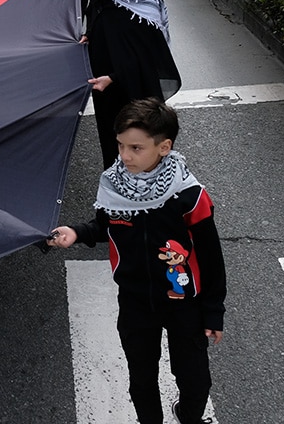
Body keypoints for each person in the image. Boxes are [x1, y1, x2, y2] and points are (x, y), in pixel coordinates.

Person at [46, 99, 225, 424]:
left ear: (164, 147)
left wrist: (214, 310)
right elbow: (105, 225)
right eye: (120, 145)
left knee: (195, 381)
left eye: (136, 148)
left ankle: (188, 416)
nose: (125, 156)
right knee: (141, 379)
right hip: (135, 300)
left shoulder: (189, 196)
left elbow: (211, 257)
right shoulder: (114, 185)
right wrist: (76, 232)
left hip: (183, 300)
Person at [84, 0, 181, 169]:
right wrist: (88, 36)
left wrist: (115, 77)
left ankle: (150, 195)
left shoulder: (146, 5)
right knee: (112, 142)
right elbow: (95, 23)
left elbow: (151, 56)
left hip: (137, 88)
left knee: (141, 144)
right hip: (103, 88)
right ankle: (116, 193)